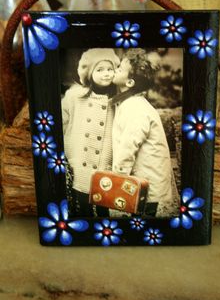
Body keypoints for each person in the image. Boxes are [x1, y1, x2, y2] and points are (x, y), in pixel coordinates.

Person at [111, 49, 173, 217]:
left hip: (150, 184)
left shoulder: (135, 107)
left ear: (130, 83)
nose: (115, 69)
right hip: (145, 180)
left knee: (144, 221)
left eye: (120, 69)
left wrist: (117, 182)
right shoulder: (130, 103)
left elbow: (128, 147)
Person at [62, 48, 120, 217]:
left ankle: (105, 230)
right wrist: (68, 150)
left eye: (110, 69)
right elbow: (63, 120)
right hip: (80, 158)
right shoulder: (75, 96)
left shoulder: (117, 98)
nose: (106, 74)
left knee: (103, 200)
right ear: (89, 73)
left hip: (104, 158)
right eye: (100, 70)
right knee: (82, 200)